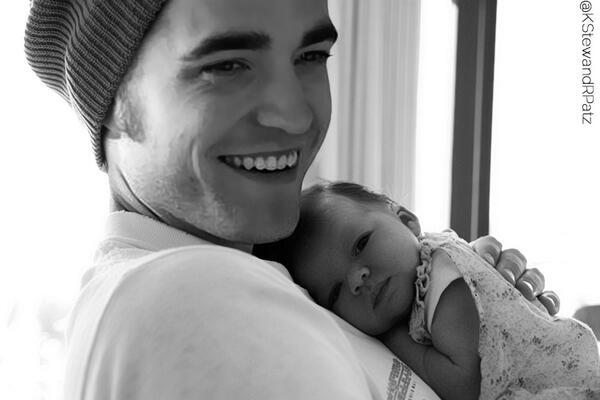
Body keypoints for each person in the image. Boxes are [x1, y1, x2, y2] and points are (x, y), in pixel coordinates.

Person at [24, 0, 560, 398]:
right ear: (117, 104)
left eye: (311, 55)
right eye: (228, 64)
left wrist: (489, 317)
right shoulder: (202, 300)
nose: (295, 114)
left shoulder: (248, 280)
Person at [255, 181, 600, 399]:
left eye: (361, 244)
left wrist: (392, 337)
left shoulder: (442, 280)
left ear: (407, 221)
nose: (357, 279)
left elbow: (464, 385)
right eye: (335, 294)